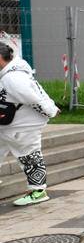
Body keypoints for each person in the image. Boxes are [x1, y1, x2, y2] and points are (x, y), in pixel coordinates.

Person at [0, 43, 59, 206]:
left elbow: (33, 98)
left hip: (22, 126)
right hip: (9, 124)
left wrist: (51, 110)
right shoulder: (12, 71)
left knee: (29, 156)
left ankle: (38, 191)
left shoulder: (13, 78)